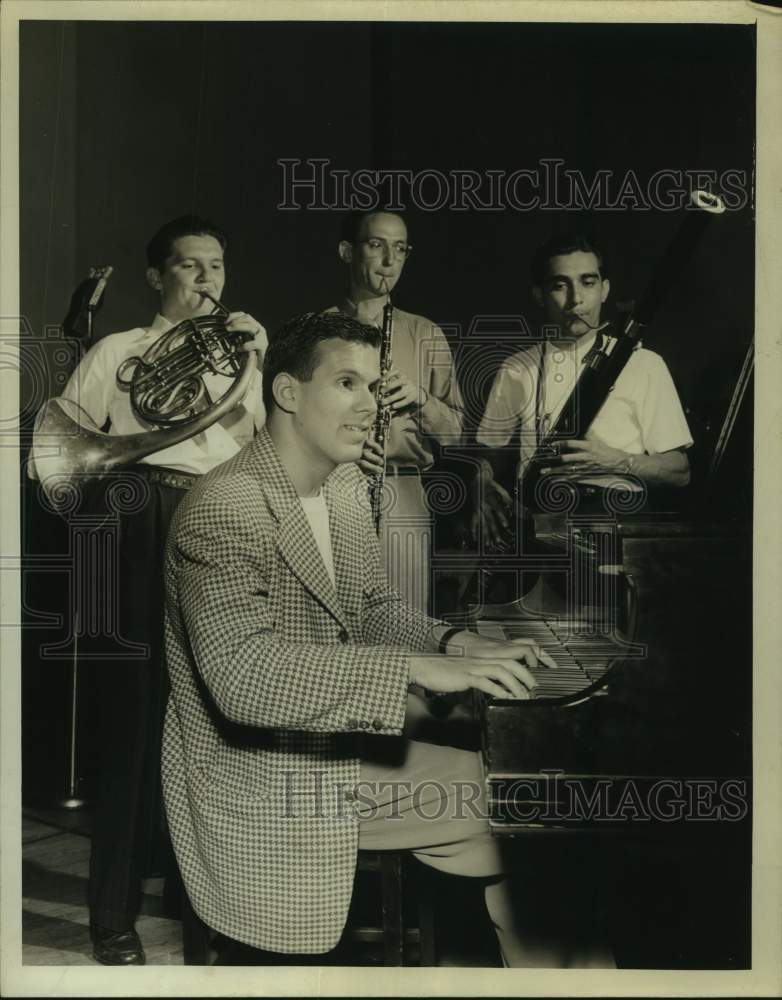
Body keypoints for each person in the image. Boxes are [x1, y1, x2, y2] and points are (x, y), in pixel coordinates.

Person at [160, 310, 615, 968]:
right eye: (347, 383)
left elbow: (373, 607)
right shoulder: (226, 507)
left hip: (329, 734)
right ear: (288, 393)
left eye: (375, 387)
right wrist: (417, 670)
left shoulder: (340, 486)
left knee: (526, 784)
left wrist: (456, 644)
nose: (370, 405)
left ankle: (529, 965)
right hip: (258, 772)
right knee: (524, 804)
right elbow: (243, 679)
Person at [33, 215, 268, 965]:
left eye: (217, 265)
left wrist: (261, 361)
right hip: (137, 514)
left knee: (210, 713)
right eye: (191, 266)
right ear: (157, 277)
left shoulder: (246, 360)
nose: (208, 280)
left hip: (218, 516)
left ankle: (208, 910)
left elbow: (270, 455)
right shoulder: (118, 352)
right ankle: (113, 915)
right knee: (133, 718)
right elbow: (61, 445)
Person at [474, 232, 693, 548]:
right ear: (539, 294)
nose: (576, 299)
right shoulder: (516, 368)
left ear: (605, 290)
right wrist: (481, 486)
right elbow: (488, 452)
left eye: (588, 282)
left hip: (616, 527)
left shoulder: (644, 363)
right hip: (537, 524)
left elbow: (680, 471)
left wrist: (617, 461)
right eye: (560, 285)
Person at [326, 210, 463, 615]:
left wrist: (420, 399)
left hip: (402, 495)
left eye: (400, 249)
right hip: (329, 493)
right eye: (376, 245)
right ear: (347, 251)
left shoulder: (425, 334)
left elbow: (456, 434)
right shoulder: (314, 331)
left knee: (404, 630)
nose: (390, 260)